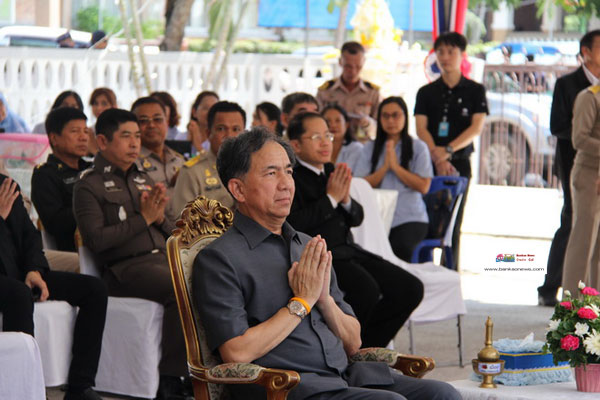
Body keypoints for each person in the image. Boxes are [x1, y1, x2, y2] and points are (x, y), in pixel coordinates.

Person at [193, 127, 460, 400]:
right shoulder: (220, 258)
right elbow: (236, 352)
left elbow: (354, 340)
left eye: (288, 171)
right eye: (271, 173)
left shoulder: (308, 245)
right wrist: (301, 304)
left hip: (345, 376)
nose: (286, 183)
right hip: (288, 387)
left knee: (442, 394)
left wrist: (324, 301)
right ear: (238, 189)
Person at [72, 108, 189, 399]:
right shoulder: (88, 185)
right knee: (181, 287)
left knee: (212, 278)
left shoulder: (143, 179)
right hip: (123, 270)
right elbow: (97, 241)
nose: (135, 143)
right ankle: (170, 378)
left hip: (162, 259)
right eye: (126, 137)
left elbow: (170, 230)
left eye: (137, 136)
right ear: (102, 141)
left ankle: (207, 369)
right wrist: (145, 219)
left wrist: (159, 218)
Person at [287, 111, 423, 348]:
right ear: (296, 145)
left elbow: (357, 217)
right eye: (316, 137)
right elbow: (294, 223)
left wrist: (346, 199)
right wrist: (331, 198)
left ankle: (368, 348)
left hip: (351, 251)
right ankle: (350, 350)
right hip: (323, 258)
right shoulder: (292, 178)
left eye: (328, 136)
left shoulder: (331, 171)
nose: (325, 143)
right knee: (367, 291)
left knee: (410, 288)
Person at [0, 175, 108, 400]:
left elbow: (30, 236)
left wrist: (34, 270)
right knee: (18, 295)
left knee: (93, 289)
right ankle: (24, 390)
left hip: (17, 271)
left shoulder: (5, 185)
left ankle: (80, 386)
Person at [414, 32, 488, 269]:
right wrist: (436, 155)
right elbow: (420, 128)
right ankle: (425, 274)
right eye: (441, 52)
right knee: (427, 222)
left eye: (451, 52)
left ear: (461, 55)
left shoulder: (475, 90)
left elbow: (476, 127)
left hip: (459, 163)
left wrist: (447, 151)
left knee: (453, 224)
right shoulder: (426, 92)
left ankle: (450, 275)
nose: (445, 57)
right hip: (429, 164)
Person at [538, 30, 600, 306]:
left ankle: (592, 300)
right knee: (576, 229)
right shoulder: (574, 87)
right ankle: (565, 298)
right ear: (586, 51)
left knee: (593, 239)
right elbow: (566, 131)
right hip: (578, 164)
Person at [355, 97, 433, 262]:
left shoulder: (418, 147)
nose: (390, 120)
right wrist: (384, 168)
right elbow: (360, 185)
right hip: (376, 217)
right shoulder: (370, 148)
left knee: (399, 248)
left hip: (409, 218)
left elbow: (424, 186)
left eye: (396, 115)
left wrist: (396, 168)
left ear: (405, 117)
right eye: (385, 116)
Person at [31, 107, 91, 252]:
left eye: (86, 131)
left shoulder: (92, 168)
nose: (83, 137)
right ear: (54, 138)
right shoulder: (45, 174)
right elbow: (55, 223)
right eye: (75, 131)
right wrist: (92, 207)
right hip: (73, 251)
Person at [172, 101, 244, 214]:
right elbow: (183, 223)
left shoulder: (253, 167)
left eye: (236, 129)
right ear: (208, 133)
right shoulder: (192, 171)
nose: (229, 136)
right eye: (221, 129)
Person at [562, 84, 600, 295]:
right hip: (590, 173)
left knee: (598, 252)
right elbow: (579, 138)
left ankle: (593, 310)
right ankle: (571, 309)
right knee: (583, 244)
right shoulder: (590, 97)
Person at [131, 96, 184, 220]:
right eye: (143, 121)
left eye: (158, 119)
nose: (151, 125)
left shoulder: (179, 160)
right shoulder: (130, 162)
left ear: (167, 122)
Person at [316, 41, 381, 139]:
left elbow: (380, 126)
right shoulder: (325, 91)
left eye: (358, 66)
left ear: (363, 62)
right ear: (340, 62)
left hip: (362, 145)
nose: (353, 71)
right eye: (348, 66)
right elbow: (316, 122)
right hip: (331, 145)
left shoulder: (372, 92)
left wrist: (367, 123)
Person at [322, 104, 363, 171]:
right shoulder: (316, 147)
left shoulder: (356, 149)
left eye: (338, 121)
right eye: (328, 121)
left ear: (346, 125)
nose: (333, 125)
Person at [88, 87, 118, 155]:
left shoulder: (120, 129)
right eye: (95, 103)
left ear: (113, 106)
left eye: (104, 104)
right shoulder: (89, 131)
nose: (99, 108)